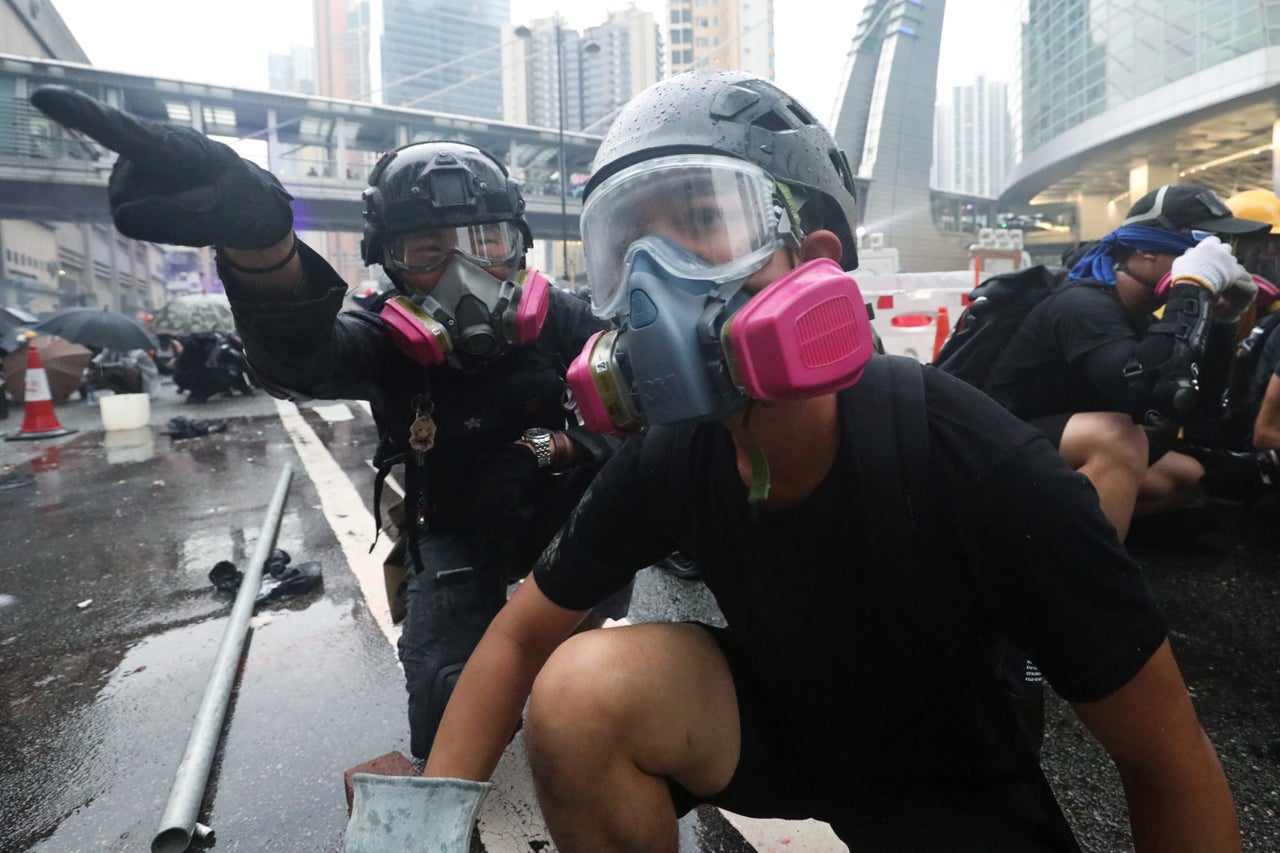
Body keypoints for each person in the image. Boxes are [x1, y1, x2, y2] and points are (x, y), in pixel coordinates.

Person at [352, 71, 1241, 851]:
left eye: (705, 218)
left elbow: (1166, 757)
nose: (658, 273)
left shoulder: (975, 459)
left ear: (811, 261)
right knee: (583, 690)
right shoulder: (675, 453)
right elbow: (518, 636)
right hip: (777, 730)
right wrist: (411, 832)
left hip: (944, 776)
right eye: (628, 244)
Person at [27, 86, 629, 763]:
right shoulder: (382, 338)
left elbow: (644, 412)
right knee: (449, 704)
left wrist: (552, 445)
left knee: (610, 640)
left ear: (517, 246)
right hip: (458, 530)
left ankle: (573, 630)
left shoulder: (566, 319)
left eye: (485, 241)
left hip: (562, 514)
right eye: (428, 252)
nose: (464, 272)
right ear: (391, 267)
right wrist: (262, 248)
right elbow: (301, 360)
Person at [983, 184, 1267, 540]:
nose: (1222, 256)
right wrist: (1192, 286)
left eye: (1227, 246)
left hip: (1046, 451)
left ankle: (1054, 540)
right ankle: (1089, 581)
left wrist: (1225, 321)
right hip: (989, 454)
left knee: (1188, 477)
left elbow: (1194, 409)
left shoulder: (1136, 314)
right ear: (1146, 247)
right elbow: (1146, 394)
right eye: (1207, 242)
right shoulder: (1083, 306)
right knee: (1119, 438)